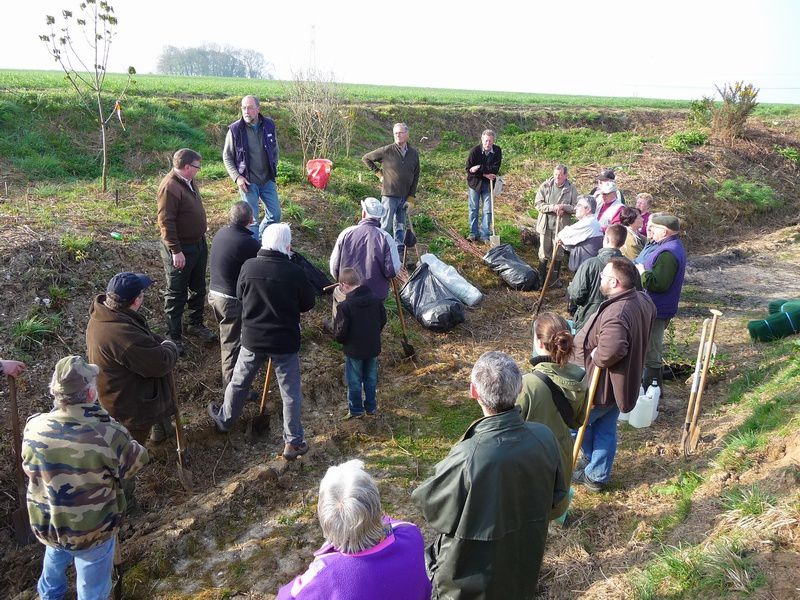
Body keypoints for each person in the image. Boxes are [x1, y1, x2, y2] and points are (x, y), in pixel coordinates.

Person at [411, 351, 566, 599]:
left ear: (474, 392)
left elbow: (432, 507)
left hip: (468, 582)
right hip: (522, 569)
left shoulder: (467, 456)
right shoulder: (544, 437)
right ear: (520, 389)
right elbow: (557, 495)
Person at [22, 355, 148, 600]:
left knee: (54, 562)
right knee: (92, 589)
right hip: (92, 531)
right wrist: (109, 424)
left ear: (55, 393)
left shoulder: (34, 427)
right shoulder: (107, 432)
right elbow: (136, 461)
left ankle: (49, 596)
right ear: (91, 394)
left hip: (49, 525)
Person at [208, 223, 316, 460]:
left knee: (239, 381)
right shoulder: (295, 272)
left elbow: (239, 294)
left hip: (253, 338)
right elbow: (308, 304)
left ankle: (225, 420)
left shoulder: (248, 267)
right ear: (286, 245)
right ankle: (293, 442)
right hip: (284, 341)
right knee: (290, 393)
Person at [277, 459, 431, 600]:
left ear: (325, 518)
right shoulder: (411, 534)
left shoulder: (323, 575)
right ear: (376, 506)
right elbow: (391, 523)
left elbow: (285, 596)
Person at [573, 258, 656, 491]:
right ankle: (597, 474)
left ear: (615, 282)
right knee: (605, 427)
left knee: (580, 424)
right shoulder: (641, 299)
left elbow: (614, 348)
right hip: (621, 383)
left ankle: (591, 466)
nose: (600, 278)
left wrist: (598, 356)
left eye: (604, 276)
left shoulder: (618, 312)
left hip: (603, 386)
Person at [86, 272, 179, 445]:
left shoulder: (104, 315)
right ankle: (131, 466)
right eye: (142, 293)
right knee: (129, 452)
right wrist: (171, 346)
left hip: (117, 388)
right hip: (129, 406)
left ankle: (162, 432)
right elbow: (160, 363)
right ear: (137, 300)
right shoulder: (122, 335)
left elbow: (143, 341)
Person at [517, 313, 587, 520]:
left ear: (538, 342)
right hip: (562, 450)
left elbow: (511, 424)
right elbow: (578, 420)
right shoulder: (581, 377)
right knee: (553, 495)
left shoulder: (529, 383)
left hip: (532, 456)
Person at [157, 147, 217, 355]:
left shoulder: (189, 181)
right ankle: (173, 336)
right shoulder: (170, 187)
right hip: (181, 248)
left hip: (198, 244)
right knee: (176, 292)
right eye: (197, 167)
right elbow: (166, 222)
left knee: (198, 286)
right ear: (187, 167)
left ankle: (195, 323)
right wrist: (176, 250)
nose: (199, 170)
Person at [208, 201, 261, 389]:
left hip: (214, 294)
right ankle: (231, 389)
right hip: (229, 300)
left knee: (229, 338)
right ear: (250, 220)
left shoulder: (221, 233)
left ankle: (232, 380)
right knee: (231, 345)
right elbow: (260, 264)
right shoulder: (247, 243)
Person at [634, 214, 687, 387]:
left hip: (657, 309)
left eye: (654, 228)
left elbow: (659, 284)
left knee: (651, 351)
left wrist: (642, 272)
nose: (650, 230)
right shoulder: (669, 246)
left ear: (664, 232)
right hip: (655, 306)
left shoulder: (668, 253)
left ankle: (651, 387)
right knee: (649, 349)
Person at [329, 197, 401, 317]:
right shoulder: (386, 238)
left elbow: (334, 266)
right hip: (374, 296)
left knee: (341, 324)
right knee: (369, 327)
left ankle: (337, 329)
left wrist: (340, 280)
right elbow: (392, 270)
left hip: (347, 291)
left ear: (363, 213)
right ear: (380, 217)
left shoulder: (346, 233)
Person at [223, 95, 281, 239]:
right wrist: (237, 178)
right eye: (244, 108)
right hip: (248, 182)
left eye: (249, 108)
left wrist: (273, 167)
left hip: (267, 180)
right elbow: (227, 156)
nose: (246, 111)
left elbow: (275, 150)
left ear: (258, 109)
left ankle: (261, 238)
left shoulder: (269, 125)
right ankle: (254, 253)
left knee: (275, 215)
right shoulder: (235, 130)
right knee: (252, 220)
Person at [333, 268, 387, 419]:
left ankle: (356, 410)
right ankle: (371, 407)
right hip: (373, 347)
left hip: (354, 350)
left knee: (354, 381)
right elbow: (383, 320)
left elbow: (340, 331)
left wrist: (342, 341)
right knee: (370, 378)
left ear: (344, 285)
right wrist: (374, 334)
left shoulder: (345, 306)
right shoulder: (376, 300)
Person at [362, 122, 420, 256]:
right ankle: (378, 248)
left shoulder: (413, 154)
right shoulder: (387, 150)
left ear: (407, 134)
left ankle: (398, 249)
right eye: (395, 133)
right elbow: (366, 158)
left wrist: (411, 198)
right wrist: (379, 174)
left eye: (400, 133)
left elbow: (416, 176)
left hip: (405, 196)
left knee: (400, 224)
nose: (398, 136)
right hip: (389, 194)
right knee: (385, 224)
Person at [568, 224, 626, 331]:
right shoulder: (630, 267)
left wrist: (571, 288)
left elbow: (576, 295)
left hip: (589, 321)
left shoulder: (589, 264)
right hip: (619, 322)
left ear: (606, 239)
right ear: (622, 243)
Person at [534, 164, 578, 283]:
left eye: (560, 175)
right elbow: (538, 204)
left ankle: (555, 279)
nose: (557, 177)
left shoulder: (571, 189)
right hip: (546, 225)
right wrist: (553, 207)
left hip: (561, 227)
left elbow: (576, 208)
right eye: (555, 174)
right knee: (543, 252)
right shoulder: (545, 186)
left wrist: (564, 207)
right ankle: (541, 278)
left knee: (558, 253)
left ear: (565, 175)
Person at [464, 129, 502, 242]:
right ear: (482, 140)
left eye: (490, 141)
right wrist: (485, 174)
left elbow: (495, 169)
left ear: (493, 141)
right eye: (486, 141)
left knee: (488, 210)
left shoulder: (497, 151)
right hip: (475, 184)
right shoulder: (474, 151)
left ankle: (485, 234)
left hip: (488, 185)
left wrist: (479, 168)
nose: (488, 144)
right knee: (473, 208)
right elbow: (469, 169)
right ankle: (473, 233)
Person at [557, 195, 603, 272]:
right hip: (587, 267)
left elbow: (563, 235)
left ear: (588, 209)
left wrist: (560, 238)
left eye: (579, 206)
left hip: (586, 268)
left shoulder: (588, 223)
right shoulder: (592, 221)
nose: (575, 208)